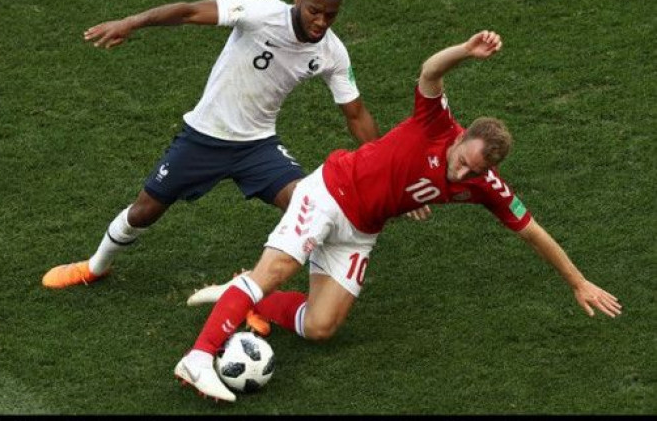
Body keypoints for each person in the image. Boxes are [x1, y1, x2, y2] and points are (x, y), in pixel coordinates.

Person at [174, 30, 622, 403]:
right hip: (330, 192)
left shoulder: (485, 184)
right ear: (460, 137)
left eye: (474, 171)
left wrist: (578, 282)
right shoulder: (436, 124)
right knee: (276, 270)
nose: (461, 173)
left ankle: (240, 292)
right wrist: (465, 52)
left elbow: (532, 231)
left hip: (360, 231)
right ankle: (199, 358)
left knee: (320, 326)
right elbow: (430, 72)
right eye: (462, 161)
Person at [42, 0, 379, 289]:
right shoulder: (260, 15)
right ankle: (95, 266)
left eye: (330, 15)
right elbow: (189, 12)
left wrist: (384, 168)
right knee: (143, 212)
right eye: (314, 11)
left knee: (309, 210)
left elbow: (356, 114)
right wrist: (130, 23)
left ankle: (256, 290)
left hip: (258, 146)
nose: (321, 22)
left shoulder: (332, 52)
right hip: (203, 138)